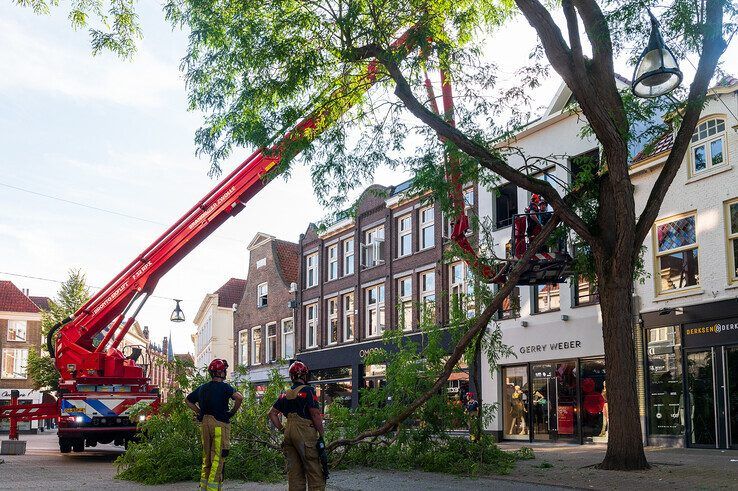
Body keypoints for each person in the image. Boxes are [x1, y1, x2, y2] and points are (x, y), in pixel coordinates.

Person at [186, 359, 243, 491]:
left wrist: (200, 412)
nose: (225, 373)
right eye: (224, 370)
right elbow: (239, 397)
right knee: (218, 457)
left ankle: (204, 488)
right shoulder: (225, 387)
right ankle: (212, 489)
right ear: (220, 372)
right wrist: (232, 412)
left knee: (207, 457)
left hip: (205, 424)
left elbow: (188, 400)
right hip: (219, 424)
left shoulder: (202, 388)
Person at [268, 361, 326, 491]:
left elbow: (272, 414)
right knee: (314, 471)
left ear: (291, 377)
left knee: (294, 473)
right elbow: (315, 414)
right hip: (305, 433)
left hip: (289, 433)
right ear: (304, 376)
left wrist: (283, 429)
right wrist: (322, 435)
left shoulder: (285, 394)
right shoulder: (309, 391)